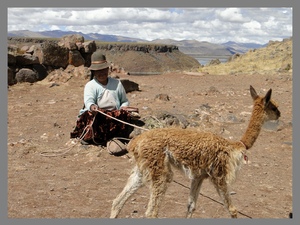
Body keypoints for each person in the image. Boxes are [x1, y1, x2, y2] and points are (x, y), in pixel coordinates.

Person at [70, 51, 135, 146]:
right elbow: (89, 101)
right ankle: (93, 137)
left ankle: (113, 137)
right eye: (98, 70)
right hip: (98, 115)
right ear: (94, 72)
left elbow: (124, 101)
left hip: (114, 115)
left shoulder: (117, 83)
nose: (102, 73)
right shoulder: (90, 85)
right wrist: (92, 107)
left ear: (107, 69)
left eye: (104, 69)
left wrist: (123, 108)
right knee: (90, 117)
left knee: (125, 115)